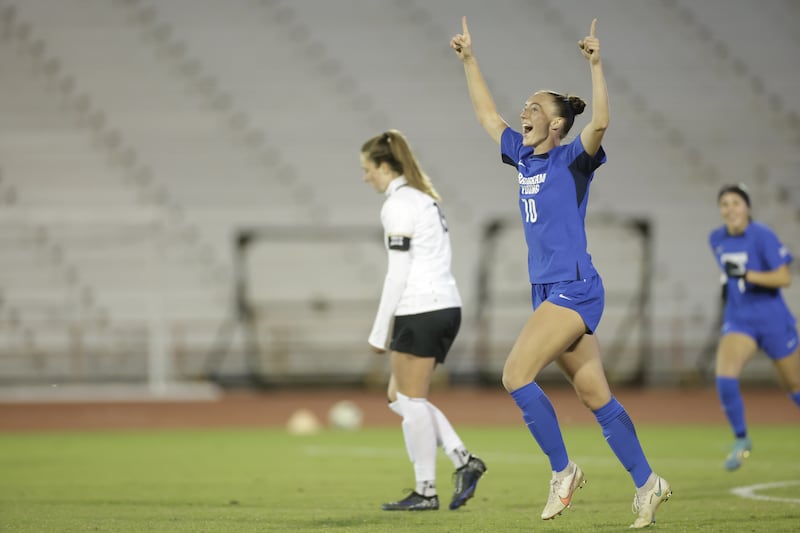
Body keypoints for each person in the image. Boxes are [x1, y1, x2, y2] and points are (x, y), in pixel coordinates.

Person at [450, 17, 670, 528]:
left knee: (514, 375)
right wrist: (469, 61)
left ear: (555, 124)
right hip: (547, 288)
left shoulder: (572, 159)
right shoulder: (523, 157)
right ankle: (648, 483)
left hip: (574, 286)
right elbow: (487, 115)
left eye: (533, 108)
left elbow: (601, 124)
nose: (522, 112)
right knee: (595, 396)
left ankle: (564, 471)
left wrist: (595, 65)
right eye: (524, 106)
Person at [360, 129, 487, 511]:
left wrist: (380, 330)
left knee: (411, 401)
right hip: (444, 304)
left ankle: (426, 490)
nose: (365, 176)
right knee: (398, 397)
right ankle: (463, 459)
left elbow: (398, 272)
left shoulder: (398, 204)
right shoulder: (424, 200)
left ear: (384, 166)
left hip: (421, 306)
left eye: (367, 168)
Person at [709, 184, 800, 471]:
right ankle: (741, 438)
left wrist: (748, 275)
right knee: (725, 376)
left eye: (736, 202)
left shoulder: (762, 235)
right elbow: (731, 277)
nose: (730, 209)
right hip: (740, 320)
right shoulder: (717, 239)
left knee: (794, 386)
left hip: (773, 320)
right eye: (724, 204)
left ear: (747, 207)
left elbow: (784, 278)